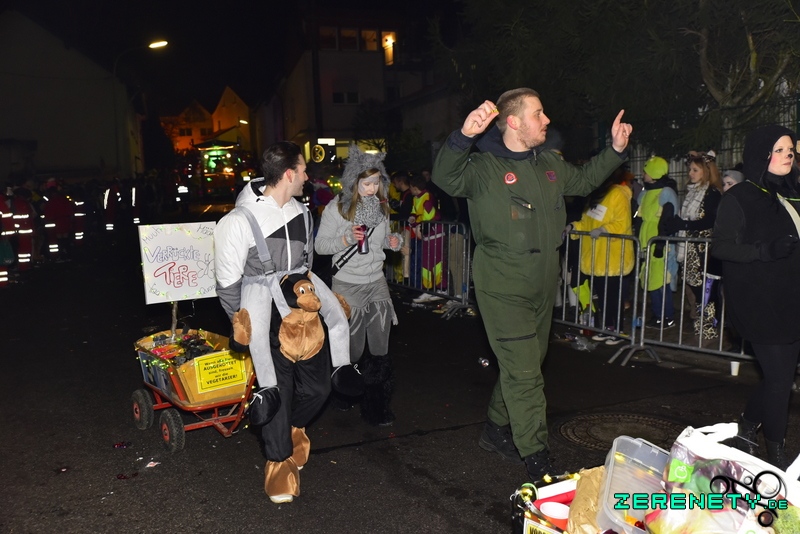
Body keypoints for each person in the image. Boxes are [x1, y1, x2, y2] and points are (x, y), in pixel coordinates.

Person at [431, 87, 632, 479]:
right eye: (538, 113)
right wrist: (463, 137)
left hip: (543, 281)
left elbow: (585, 179)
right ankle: (537, 459)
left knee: (525, 363)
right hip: (503, 281)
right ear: (514, 122)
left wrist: (616, 149)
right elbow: (445, 176)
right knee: (525, 373)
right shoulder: (483, 168)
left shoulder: (549, 164)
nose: (546, 120)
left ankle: (495, 428)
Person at [214, 141, 354, 504]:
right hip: (266, 316)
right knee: (277, 389)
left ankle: (293, 429)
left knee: (320, 388)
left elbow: (306, 267)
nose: (308, 177)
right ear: (289, 174)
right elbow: (227, 284)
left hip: (303, 315)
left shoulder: (303, 213)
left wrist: (324, 302)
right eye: (304, 170)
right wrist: (242, 323)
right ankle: (278, 466)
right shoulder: (238, 221)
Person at [711, 125, 800, 470]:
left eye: (790, 150)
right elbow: (721, 247)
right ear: (761, 154)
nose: (787, 155)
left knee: (780, 376)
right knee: (780, 380)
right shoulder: (740, 197)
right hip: (759, 302)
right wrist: (764, 251)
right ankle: (776, 457)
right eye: (779, 150)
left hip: (791, 299)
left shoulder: (793, 192)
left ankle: (747, 427)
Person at [314, 145, 404, 426]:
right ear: (353, 182)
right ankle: (343, 393)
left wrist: (394, 242)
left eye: (376, 182)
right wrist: (346, 239)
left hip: (376, 282)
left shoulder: (382, 207)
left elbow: (385, 241)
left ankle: (377, 407)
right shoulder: (337, 208)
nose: (372, 188)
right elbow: (320, 246)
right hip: (347, 285)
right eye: (366, 183)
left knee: (379, 349)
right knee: (351, 350)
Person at [566, 167, 636, 345]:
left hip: (612, 257)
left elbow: (622, 223)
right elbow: (586, 222)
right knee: (603, 297)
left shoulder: (618, 194)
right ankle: (605, 328)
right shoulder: (595, 196)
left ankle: (617, 330)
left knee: (613, 297)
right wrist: (573, 227)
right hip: (596, 257)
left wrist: (605, 229)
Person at [663, 151, 724, 339]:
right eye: (690, 169)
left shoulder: (712, 193)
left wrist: (685, 225)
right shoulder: (693, 192)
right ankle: (702, 325)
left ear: (706, 171)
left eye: (695, 170)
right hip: (691, 249)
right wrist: (679, 223)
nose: (690, 173)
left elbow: (710, 221)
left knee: (706, 290)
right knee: (697, 290)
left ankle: (710, 328)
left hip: (703, 251)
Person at [635, 156, 679, 329]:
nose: (643, 174)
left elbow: (667, 219)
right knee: (650, 280)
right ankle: (657, 314)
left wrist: (660, 243)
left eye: (646, 171)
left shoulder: (666, 193)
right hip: (647, 244)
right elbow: (639, 217)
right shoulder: (645, 193)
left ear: (654, 172)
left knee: (661, 282)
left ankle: (667, 316)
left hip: (660, 246)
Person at [407, 173, 447, 301]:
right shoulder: (416, 198)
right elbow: (415, 212)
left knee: (437, 262)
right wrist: (413, 219)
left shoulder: (428, 196)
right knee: (426, 263)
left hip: (435, 233)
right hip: (426, 234)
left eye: (410, 187)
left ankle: (442, 289)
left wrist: (416, 222)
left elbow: (428, 217)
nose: (409, 189)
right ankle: (428, 290)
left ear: (414, 187)